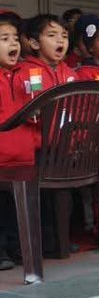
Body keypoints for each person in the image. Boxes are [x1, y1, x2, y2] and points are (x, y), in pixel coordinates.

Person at [0, 14, 33, 270]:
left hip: (24, 154)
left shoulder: (27, 74)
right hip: (1, 156)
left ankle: (16, 247)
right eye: (4, 38)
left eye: (14, 38)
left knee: (16, 209)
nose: (13, 43)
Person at [16, 14, 76, 96]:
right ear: (35, 44)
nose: (60, 40)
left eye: (64, 36)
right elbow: (35, 99)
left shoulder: (69, 72)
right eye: (51, 35)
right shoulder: (30, 72)